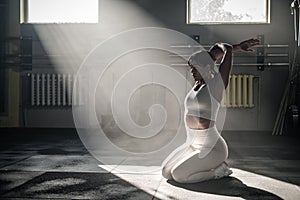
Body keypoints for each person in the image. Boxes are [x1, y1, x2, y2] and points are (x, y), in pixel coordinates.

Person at [162, 38, 260, 183]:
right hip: (192, 144)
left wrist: (229, 48)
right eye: (191, 68)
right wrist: (237, 46)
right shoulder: (198, 83)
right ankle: (202, 164)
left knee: (179, 176)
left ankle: (220, 171)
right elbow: (212, 55)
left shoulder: (216, 86)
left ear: (207, 68)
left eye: (195, 68)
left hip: (212, 149)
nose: (192, 72)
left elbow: (221, 55)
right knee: (166, 172)